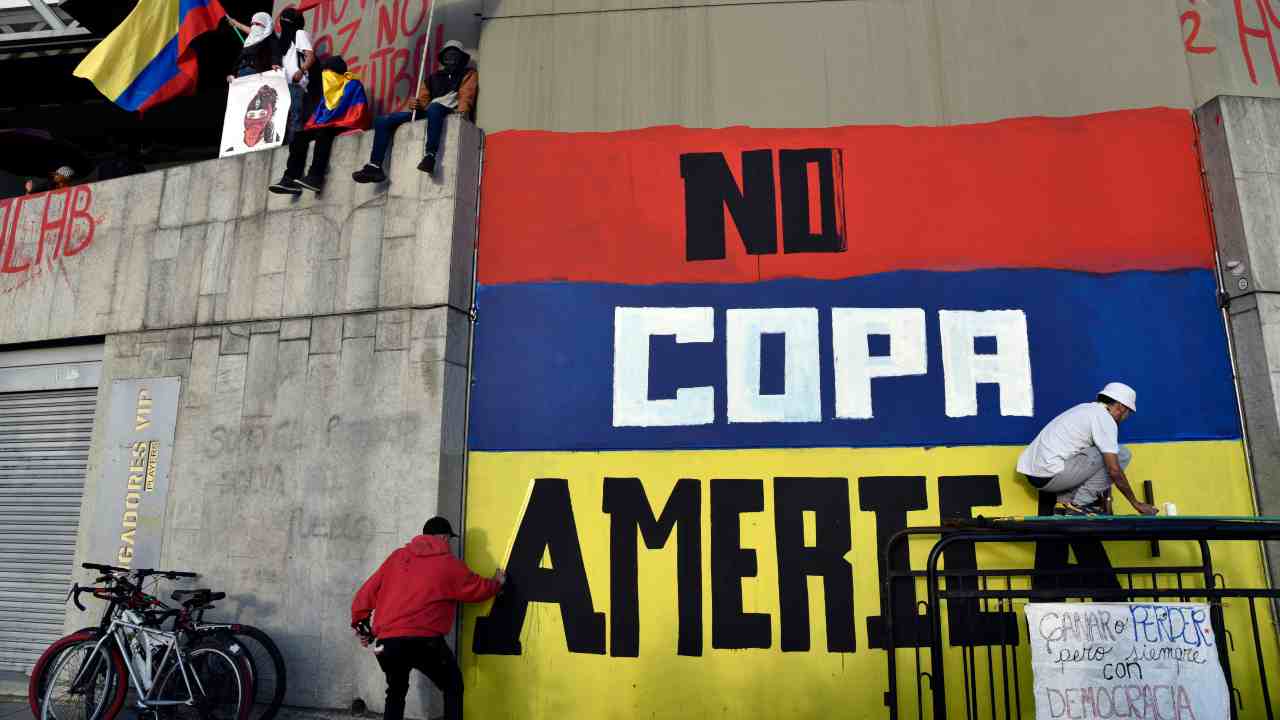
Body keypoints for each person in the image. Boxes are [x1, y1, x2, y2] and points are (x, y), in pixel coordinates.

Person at [351, 516, 504, 720]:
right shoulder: (447, 563)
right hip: (424, 642)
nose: (448, 543)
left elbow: (366, 593)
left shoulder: (397, 557)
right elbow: (475, 588)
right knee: (453, 685)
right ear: (442, 537)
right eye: (448, 539)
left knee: (395, 692)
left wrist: (364, 628)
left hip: (389, 643)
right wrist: (496, 583)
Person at [1016, 382, 1158, 516]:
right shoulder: (1105, 418)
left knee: (1098, 452)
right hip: (1050, 475)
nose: (1126, 417)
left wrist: (1107, 498)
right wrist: (1136, 503)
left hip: (1036, 475)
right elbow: (1114, 470)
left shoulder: (1085, 409)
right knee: (1122, 454)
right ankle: (1078, 504)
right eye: (1128, 412)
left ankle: (1064, 502)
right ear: (1121, 407)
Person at [351, 40, 477, 182]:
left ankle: (430, 155)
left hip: (450, 110)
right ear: (443, 59)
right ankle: (374, 166)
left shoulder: (468, 74)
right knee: (382, 120)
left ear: (461, 58)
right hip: (430, 111)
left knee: (434, 108)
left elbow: (467, 93)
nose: (451, 58)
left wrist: (463, 112)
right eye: (448, 55)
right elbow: (424, 101)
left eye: (455, 55)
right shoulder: (432, 78)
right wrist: (415, 104)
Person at [269, 55, 370, 195]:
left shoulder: (352, 84)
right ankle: (290, 178)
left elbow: (353, 111)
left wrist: (325, 123)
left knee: (323, 134)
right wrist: (311, 127)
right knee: (299, 136)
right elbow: (317, 115)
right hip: (329, 124)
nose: (326, 77)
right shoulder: (328, 92)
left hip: (348, 122)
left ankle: (315, 176)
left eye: (328, 72)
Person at [275, 8, 314, 143]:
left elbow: (310, 57)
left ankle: (295, 148)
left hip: (296, 84)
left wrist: (301, 71)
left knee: (295, 118)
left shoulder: (299, 34)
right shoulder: (283, 40)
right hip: (283, 84)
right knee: (286, 119)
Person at [224, 12, 280, 81]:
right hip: (242, 75)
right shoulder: (250, 39)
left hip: (259, 75)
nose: (254, 26)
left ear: (266, 24)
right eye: (252, 24)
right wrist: (233, 74)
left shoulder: (269, 38)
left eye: (257, 24)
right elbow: (240, 59)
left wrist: (275, 63)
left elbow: (275, 51)